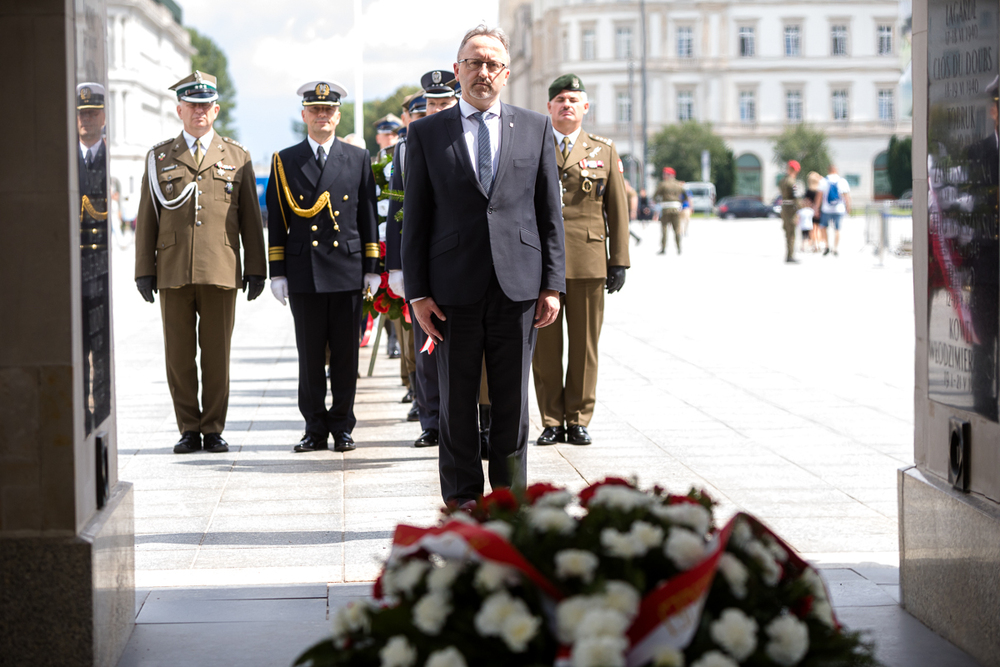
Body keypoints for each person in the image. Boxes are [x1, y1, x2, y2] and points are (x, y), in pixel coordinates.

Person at [401, 25, 565, 505]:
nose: (483, 71)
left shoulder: (535, 128)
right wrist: (418, 293)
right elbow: (417, 218)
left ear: (506, 74)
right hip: (452, 290)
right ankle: (462, 496)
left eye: (493, 63)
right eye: (473, 62)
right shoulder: (428, 133)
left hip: (519, 287)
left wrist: (552, 285)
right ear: (457, 71)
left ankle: (509, 497)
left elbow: (547, 211)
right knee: (456, 400)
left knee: (513, 403)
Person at [135, 71, 266, 454]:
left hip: (221, 267)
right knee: (178, 355)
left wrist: (256, 267)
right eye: (192, 105)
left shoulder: (236, 156)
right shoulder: (159, 157)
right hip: (173, 269)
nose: (199, 112)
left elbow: (250, 220)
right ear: (179, 110)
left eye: (205, 105)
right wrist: (144, 269)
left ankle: (213, 427)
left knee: (216, 355)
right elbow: (147, 216)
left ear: (216, 110)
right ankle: (188, 428)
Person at [265, 80, 381, 453]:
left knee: (346, 356)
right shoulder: (285, 160)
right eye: (315, 110)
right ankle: (314, 426)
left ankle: (343, 425)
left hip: (346, 270)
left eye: (328, 110)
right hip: (305, 273)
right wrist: (278, 272)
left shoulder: (357, 158)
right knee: (310, 356)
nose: (322, 116)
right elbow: (278, 221)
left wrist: (373, 267)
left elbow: (367, 218)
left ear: (338, 115)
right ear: (304, 115)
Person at [532, 74, 629, 447]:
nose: (567, 105)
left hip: (589, 260)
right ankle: (552, 419)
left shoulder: (603, 150)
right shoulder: (534, 144)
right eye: (560, 100)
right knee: (546, 347)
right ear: (550, 108)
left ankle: (579, 418)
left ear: (585, 107)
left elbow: (617, 210)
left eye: (574, 99)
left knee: (585, 345)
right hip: (542, 263)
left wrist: (618, 260)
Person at [386, 70, 461, 447]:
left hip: (462, 262)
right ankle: (431, 421)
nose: (435, 110)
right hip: (424, 263)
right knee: (426, 346)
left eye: (444, 103)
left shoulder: (468, 138)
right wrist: (396, 266)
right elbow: (398, 209)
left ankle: (473, 421)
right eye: (430, 104)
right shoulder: (406, 147)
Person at [819, 164, 851, 256]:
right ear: (836, 170)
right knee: (837, 229)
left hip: (826, 208)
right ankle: (835, 248)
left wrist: (816, 207)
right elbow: (846, 196)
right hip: (839, 208)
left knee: (823, 227)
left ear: (828, 170)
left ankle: (827, 246)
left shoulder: (824, 181)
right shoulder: (842, 181)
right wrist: (848, 206)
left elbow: (819, 195)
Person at [654, 167, 684, 255]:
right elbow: (685, 195)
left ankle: (663, 248)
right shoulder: (679, 184)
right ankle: (679, 248)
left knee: (664, 229)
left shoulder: (663, 184)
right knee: (677, 229)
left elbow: (655, 195)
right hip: (676, 208)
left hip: (666, 209)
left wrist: (658, 202)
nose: (663, 176)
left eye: (665, 174)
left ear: (669, 175)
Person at [780, 160, 800, 263]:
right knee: (791, 233)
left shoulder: (783, 180)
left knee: (788, 232)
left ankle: (789, 254)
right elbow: (795, 197)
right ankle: (790, 256)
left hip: (784, 207)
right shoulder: (791, 181)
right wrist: (802, 206)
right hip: (791, 209)